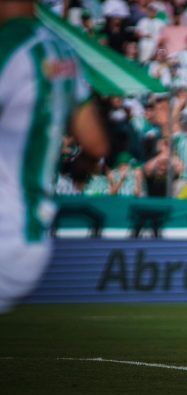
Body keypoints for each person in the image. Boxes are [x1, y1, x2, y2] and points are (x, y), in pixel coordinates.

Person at [0, 0, 108, 312]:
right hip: (31, 235)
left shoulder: (8, 46)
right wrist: (75, 168)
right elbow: (96, 147)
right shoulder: (62, 50)